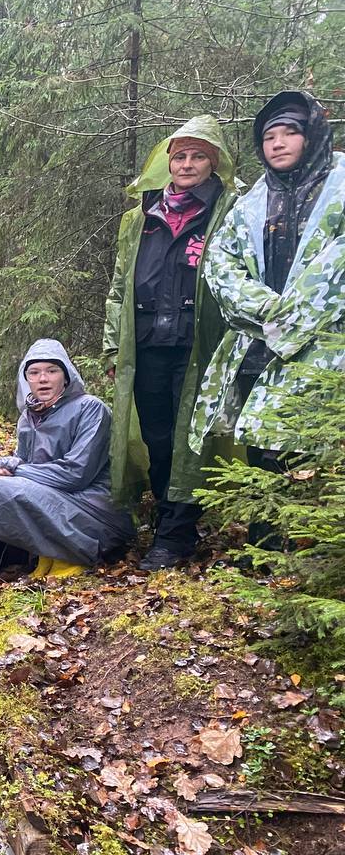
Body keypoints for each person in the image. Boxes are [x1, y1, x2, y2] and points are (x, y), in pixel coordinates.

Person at [189, 91, 345, 547]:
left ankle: (317, 555)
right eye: (268, 136)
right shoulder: (255, 201)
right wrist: (268, 314)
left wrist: (292, 321)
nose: (277, 144)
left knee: (314, 447)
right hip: (259, 342)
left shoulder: (339, 186)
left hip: (327, 345)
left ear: (312, 133)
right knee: (263, 444)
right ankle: (266, 547)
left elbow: (334, 271)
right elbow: (221, 262)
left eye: (289, 132)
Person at [103, 117, 238, 570]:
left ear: (213, 163)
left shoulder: (226, 212)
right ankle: (168, 523)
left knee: (190, 440)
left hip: (197, 348)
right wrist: (110, 349)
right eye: (179, 155)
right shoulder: (139, 219)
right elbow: (120, 286)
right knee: (159, 440)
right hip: (146, 346)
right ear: (167, 161)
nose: (186, 164)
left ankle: (176, 536)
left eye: (198, 156)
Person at [0, 339, 133, 578]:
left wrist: (14, 469)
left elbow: (76, 474)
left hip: (95, 511)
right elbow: (22, 466)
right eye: (34, 372)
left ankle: (72, 556)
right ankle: (46, 555)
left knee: (1, 487)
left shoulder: (91, 408)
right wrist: (2, 468)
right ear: (25, 378)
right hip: (54, 502)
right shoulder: (27, 419)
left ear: (66, 376)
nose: (43, 379)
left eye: (52, 371)